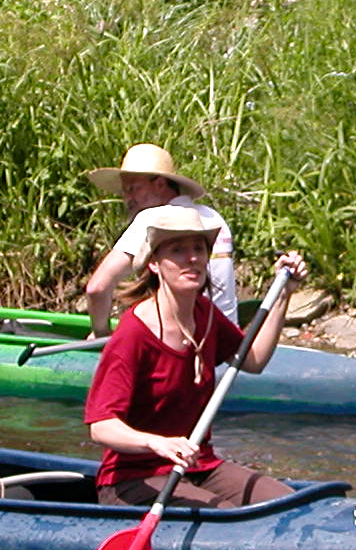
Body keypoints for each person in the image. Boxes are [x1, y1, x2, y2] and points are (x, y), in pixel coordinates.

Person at [84, 204, 307, 509]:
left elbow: (253, 360)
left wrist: (283, 294)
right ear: (154, 264)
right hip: (134, 478)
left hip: (199, 466)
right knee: (227, 516)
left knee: (289, 505)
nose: (192, 258)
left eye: (198, 249)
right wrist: (156, 443)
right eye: (177, 250)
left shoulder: (205, 314)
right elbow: (101, 426)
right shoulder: (133, 333)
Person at [84, 143, 237, 338]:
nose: (127, 198)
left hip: (184, 341)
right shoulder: (214, 217)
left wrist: (100, 334)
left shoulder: (152, 219)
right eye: (124, 191)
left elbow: (97, 288)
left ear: (160, 184)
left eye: (133, 189)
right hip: (227, 339)